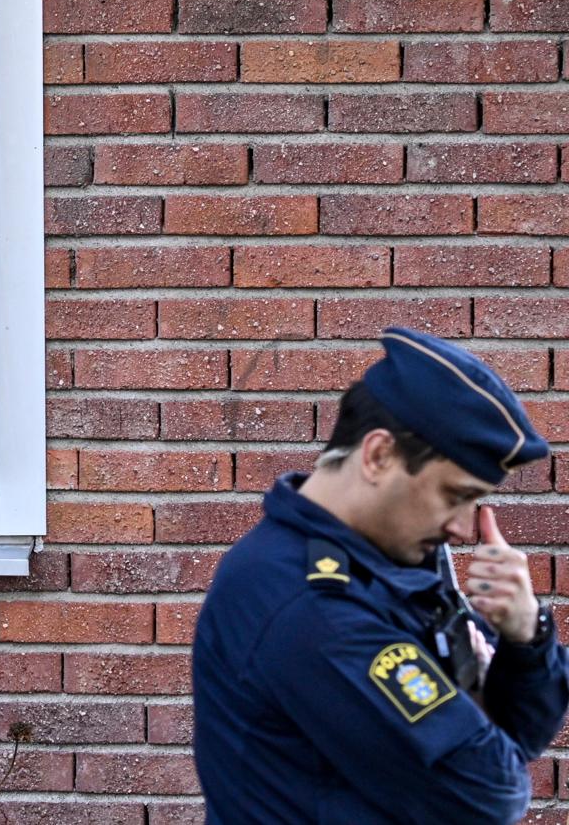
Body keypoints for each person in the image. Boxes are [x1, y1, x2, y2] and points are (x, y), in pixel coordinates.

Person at [192, 327, 569, 824]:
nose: (463, 528)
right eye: (456, 496)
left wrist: (527, 638)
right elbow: (492, 792)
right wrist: (476, 709)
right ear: (378, 455)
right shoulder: (310, 605)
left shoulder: (389, 562)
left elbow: (513, 740)